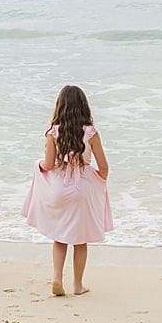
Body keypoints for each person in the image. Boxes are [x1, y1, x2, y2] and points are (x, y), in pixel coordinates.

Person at [22, 85, 112, 297]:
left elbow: (49, 165)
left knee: (59, 236)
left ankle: (56, 278)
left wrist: (39, 166)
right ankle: (78, 285)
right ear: (83, 106)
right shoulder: (91, 133)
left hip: (59, 189)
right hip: (83, 188)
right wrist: (98, 184)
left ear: (60, 106)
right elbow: (104, 167)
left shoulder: (54, 131)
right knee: (81, 240)